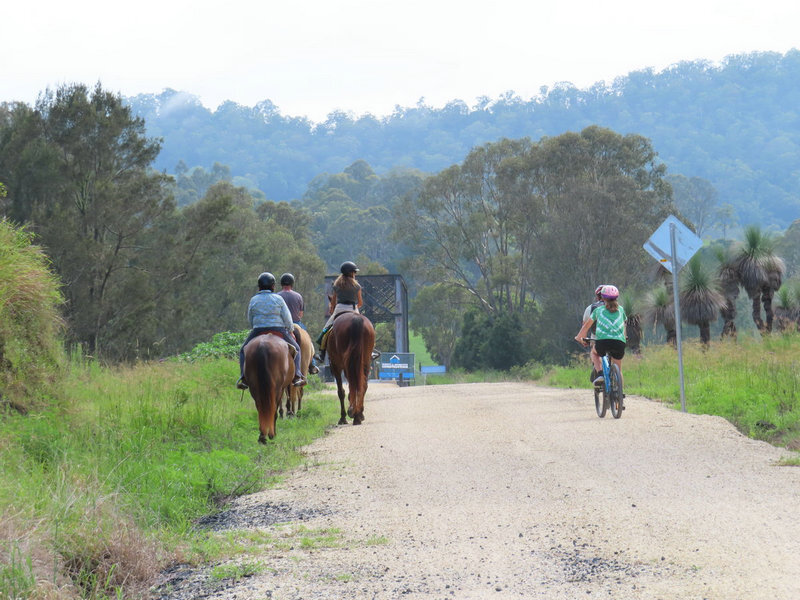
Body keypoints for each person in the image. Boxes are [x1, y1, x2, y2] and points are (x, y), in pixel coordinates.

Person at [237, 272, 306, 390]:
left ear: (259, 287)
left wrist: (257, 326)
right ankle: (297, 375)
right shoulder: (278, 299)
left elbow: (250, 318)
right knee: (297, 349)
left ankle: (243, 378)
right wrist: (290, 329)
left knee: (243, 350)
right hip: (278, 329)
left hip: (258, 329)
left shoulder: (253, 299)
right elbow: (287, 318)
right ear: (273, 286)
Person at [575, 284, 627, 390]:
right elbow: (624, 326)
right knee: (619, 369)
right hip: (619, 343)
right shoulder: (621, 310)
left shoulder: (597, 311)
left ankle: (600, 374)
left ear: (602, 298)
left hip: (602, 342)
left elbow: (585, 327)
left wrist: (579, 338)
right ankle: (619, 395)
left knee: (594, 353)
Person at [315, 261, 363, 363]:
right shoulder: (357, 286)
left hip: (339, 308)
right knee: (363, 329)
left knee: (325, 330)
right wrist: (355, 308)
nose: (355, 274)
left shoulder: (337, 285)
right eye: (354, 272)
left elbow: (333, 303)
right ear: (351, 273)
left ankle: (322, 353)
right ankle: (370, 352)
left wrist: (333, 308)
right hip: (353, 309)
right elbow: (360, 302)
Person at [277, 272, 319, 374]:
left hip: (280, 325)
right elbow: (301, 313)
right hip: (296, 322)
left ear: (281, 283)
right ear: (292, 283)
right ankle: (312, 364)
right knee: (308, 340)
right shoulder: (298, 296)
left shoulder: (277, 296)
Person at [582, 284, 607, 383]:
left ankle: (598, 371)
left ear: (597, 296)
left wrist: (583, 338)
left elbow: (584, 326)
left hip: (596, 338)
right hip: (614, 338)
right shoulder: (616, 307)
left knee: (594, 352)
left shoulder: (591, 308)